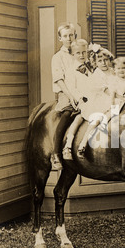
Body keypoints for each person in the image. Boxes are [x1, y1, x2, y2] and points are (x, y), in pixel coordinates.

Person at [50, 23, 80, 170]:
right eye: (66, 36)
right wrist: (71, 96)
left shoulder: (78, 54)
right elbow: (59, 79)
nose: (69, 38)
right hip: (66, 93)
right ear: (60, 38)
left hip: (81, 91)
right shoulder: (58, 57)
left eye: (71, 35)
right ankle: (56, 153)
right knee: (68, 113)